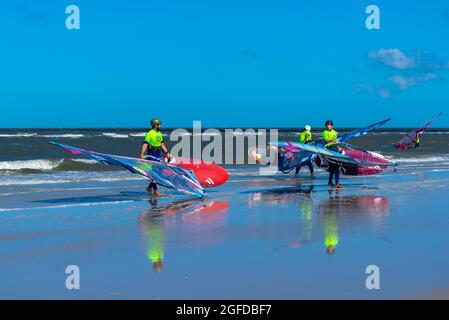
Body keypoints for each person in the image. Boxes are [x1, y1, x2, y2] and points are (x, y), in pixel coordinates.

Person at [140, 118, 171, 195]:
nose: (160, 125)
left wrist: (167, 152)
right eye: (159, 124)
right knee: (153, 173)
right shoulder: (149, 134)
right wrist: (142, 154)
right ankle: (155, 191)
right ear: (155, 125)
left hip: (158, 153)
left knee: (158, 172)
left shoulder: (159, 133)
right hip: (151, 154)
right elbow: (145, 144)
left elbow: (162, 144)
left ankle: (150, 187)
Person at [322, 120, 342, 188]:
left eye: (330, 125)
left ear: (332, 126)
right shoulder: (325, 132)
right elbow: (326, 140)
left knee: (336, 167)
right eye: (327, 125)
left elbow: (335, 142)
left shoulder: (334, 132)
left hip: (335, 149)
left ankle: (334, 182)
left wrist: (339, 148)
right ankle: (334, 182)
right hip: (328, 150)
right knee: (334, 167)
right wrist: (331, 140)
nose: (329, 126)